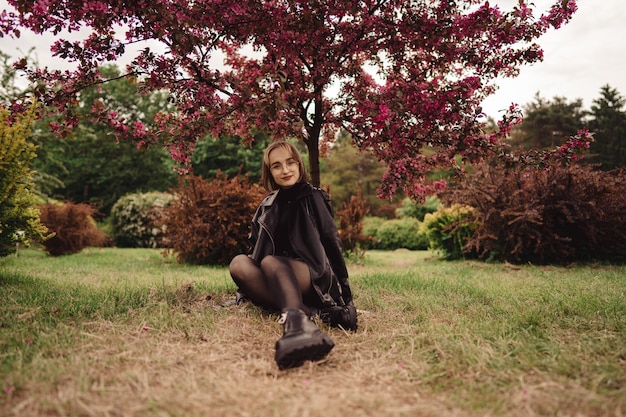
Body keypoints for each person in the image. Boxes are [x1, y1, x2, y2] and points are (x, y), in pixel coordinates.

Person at [229, 141, 357, 370]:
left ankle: (295, 326)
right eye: (277, 166)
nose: (285, 170)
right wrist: (245, 291)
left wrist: (345, 296)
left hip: (311, 274)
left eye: (290, 163)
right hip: (275, 274)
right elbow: (255, 250)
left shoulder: (314, 197)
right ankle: (308, 313)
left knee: (271, 262)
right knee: (239, 263)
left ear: (299, 165)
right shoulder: (266, 205)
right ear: (270, 172)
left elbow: (331, 242)